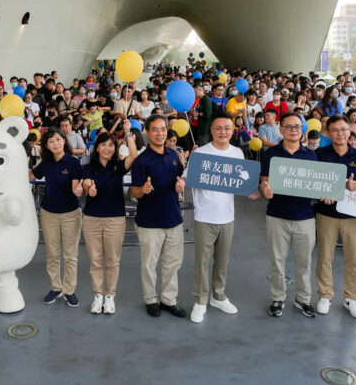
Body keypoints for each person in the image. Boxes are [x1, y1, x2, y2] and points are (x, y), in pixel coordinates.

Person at [189, 116, 260, 323]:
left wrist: (250, 191)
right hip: (204, 216)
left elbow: (241, 180)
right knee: (202, 261)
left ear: (233, 131)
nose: (223, 132)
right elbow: (188, 178)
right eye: (219, 128)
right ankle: (200, 301)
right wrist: (181, 181)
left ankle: (218, 296)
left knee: (222, 260)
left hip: (227, 217)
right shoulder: (200, 153)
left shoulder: (237, 152)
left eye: (227, 128)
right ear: (211, 130)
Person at [259, 113, 318, 318]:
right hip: (277, 214)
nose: (294, 129)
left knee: (305, 261)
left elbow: (318, 184)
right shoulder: (271, 154)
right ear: (280, 130)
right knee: (277, 260)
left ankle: (303, 299)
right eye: (289, 126)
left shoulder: (311, 155)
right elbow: (264, 180)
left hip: (305, 216)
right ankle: (278, 297)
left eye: (297, 126)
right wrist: (265, 188)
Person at [130, 114, 187, 318]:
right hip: (149, 221)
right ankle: (151, 299)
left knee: (172, 263)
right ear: (147, 132)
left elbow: (181, 179)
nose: (160, 133)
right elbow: (133, 192)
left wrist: (182, 185)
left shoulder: (173, 155)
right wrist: (143, 190)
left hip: (173, 218)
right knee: (149, 264)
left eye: (163, 129)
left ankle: (168, 299)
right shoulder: (141, 161)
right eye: (155, 129)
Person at [313, 115, 356, 319]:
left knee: (353, 258)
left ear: (350, 131)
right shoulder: (319, 154)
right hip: (326, 213)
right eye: (335, 130)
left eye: (343, 129)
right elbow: (314, 183)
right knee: (324, 256)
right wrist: (322, 192)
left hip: (353, 216)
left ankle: (351, 298)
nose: (340, 134)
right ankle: (325, 294)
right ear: (327, 132)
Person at [81, 131, 138, 314]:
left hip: (115, 218)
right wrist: (90, 189)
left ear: (115, 148)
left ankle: (110, 296)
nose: (107, 148)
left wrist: (129, 135)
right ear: (97, 147)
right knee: (96, 260)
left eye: (111, 145)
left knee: (113, 260)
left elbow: (134, 155)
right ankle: (98, 295)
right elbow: (86, 184)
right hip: (92, 218)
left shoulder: (119, 166)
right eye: (103, 145)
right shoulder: (88, 167)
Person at [30, 129, 83, 308]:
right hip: (48, 213)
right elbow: (31, 175)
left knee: (70, 255)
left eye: (58, 140)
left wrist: (78, 189)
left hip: (70, 213)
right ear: (46, 146)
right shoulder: (46, 163)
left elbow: (77, 186)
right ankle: (55, 287)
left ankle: (69, 290)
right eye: (51, 141)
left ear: (64, 141)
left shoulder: (74, 163)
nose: (55, 143)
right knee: (52, 254)